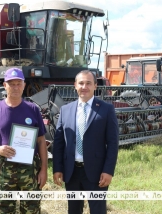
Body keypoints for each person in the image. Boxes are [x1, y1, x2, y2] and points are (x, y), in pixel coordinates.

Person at [0, 67, 47, 214]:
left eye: (18, 83)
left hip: (30, 170)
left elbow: (41, 141)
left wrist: (43, 170)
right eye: (11, 84)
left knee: (31, 210)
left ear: (24, 85)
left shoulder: (33, 109)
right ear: (4, 86)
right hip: (4, 170)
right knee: (3, 210)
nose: (15, 87)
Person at [53, 70, 119, 214]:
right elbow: (58, 142)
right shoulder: (65, 110)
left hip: (97, 173)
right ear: (75, 85)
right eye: (81, 83)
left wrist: (108, 171)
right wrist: (57, 168)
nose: (84, 86)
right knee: (74, 210)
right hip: (71, 172)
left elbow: (113, 143)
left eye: (88, 83)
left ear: (95, 86)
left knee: (98, 211)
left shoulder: (106, 109)